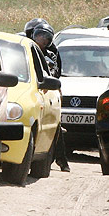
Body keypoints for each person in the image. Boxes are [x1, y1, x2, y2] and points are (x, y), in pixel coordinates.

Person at [30, 22, 70, 172]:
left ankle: (61, 160)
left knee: (55, 127)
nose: (42, 39)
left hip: (46, 92)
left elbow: (54, 75)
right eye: (39, 35)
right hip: (30, 92)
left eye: (46, 37)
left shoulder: (50, 55)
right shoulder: (26, 49)